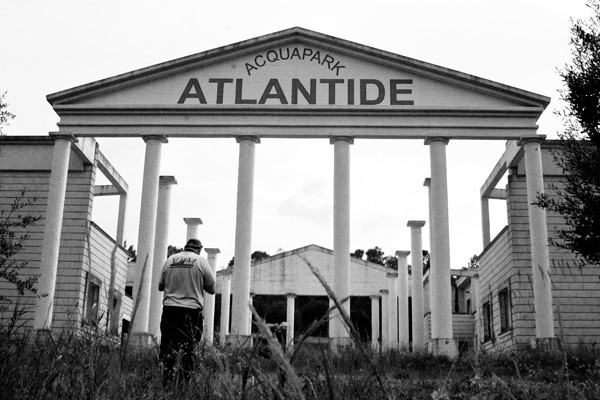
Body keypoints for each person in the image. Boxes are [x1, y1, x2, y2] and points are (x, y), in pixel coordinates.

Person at [158, 238, 216, 385]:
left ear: (185, 247)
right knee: (189, 350)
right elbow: (212, 289)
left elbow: (160, 286)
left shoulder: (170, 259)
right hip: (191, 312)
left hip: (170, 310)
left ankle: (166, 382)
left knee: (168, 349)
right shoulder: (201, 261)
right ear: (199, 249)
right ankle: (183, 385)